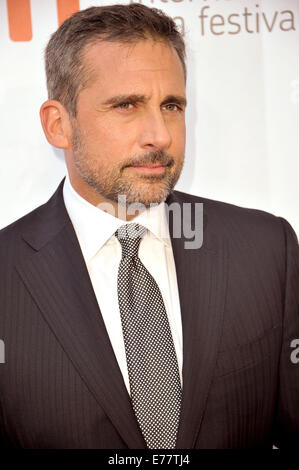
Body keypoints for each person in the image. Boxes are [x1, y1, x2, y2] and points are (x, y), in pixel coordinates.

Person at [0, 3, 298, 449]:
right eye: (126, 105)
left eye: (172, 105)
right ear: (59, 125)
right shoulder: (6, 272)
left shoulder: (266, 250)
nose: (160, 135)